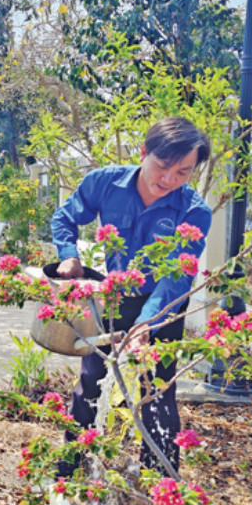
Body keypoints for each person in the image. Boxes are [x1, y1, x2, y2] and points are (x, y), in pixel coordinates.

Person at [51, 116, 212, 473]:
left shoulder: (194, 212)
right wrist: (68, 254)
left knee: (157, 392)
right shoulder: (104, 183)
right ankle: (70, 471)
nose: (169, 180)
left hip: (163, 305)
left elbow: (175, 279)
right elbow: (65, 217)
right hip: (114, 296)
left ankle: (161, 482)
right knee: (90, 382)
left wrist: (146, 324)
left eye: (183, 172)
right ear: (144, 152)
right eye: (163, 165)